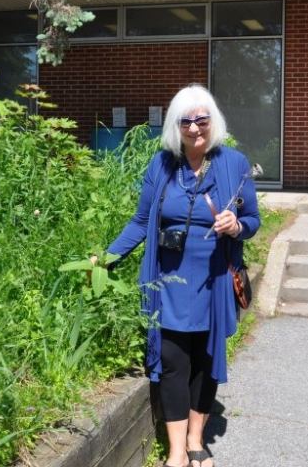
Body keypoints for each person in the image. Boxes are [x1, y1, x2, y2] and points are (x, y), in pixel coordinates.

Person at [97, 84, 260, 467]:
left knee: (204, 359)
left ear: (212, 121)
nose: (194, 128)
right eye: (185, 121)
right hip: (168, 282)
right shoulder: (162, 164)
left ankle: (195, 439)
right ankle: (176, 451)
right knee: (172, 361)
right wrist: (105, 259)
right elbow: (141, 221)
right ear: (175, 125)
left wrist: (236, 226)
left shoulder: (233, 163)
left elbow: (253, 220)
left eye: (201, 119)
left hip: (213, 280)